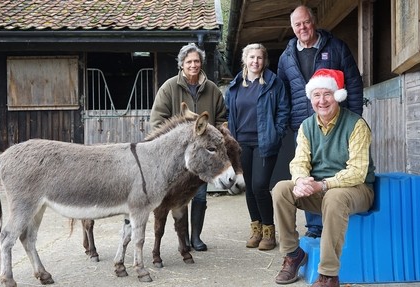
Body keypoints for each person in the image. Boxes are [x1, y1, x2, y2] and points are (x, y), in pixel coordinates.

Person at [272, 68, 375, 286]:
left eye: (327, 94)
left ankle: (328, 275)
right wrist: (301, 181)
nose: (322, 101)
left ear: (337, 96)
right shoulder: (306, 126)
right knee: (281, 189)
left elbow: (358, 172)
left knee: (334, 197)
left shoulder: (356, 125)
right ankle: (293, 254)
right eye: (316, 95)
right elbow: (299, 161)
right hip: (319, 189)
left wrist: (323, 185)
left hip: (357, 190)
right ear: (311, 99)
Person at [277, 5, 364, 239]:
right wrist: (287, 122)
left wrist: (355, 117)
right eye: (297, 24)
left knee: (336, 169)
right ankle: (315, 227)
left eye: (306, 22)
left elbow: (353, 83)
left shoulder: (336, 48)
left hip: (337, 122)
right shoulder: (286, 57)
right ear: (293, 28)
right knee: (307, 170)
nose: (302, 28)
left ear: (313, 22)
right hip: (303, 125)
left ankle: (338, 219)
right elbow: (282, 93)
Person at [150, 42, 227, 251]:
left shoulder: (212, 89)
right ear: (182, 64)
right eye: (189, 61)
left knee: (199, 196)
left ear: (201, 63)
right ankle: (181, 240)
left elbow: (221, 119)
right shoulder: (168, 88)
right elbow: (157, 121)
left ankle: (196, 237)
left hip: (202, 156)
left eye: (197, 61)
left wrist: (217, 135)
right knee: (176, 198)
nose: (193, 65)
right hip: (176, 158)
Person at [224, 43, 289, 250]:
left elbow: (283, 110)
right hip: (241, 144)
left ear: (264, 60)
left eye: (259, 58)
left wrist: (277, 133)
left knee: (260, 185)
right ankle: (256, 229)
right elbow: (229, 114)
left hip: (264, 141)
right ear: (245, 60)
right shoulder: (235, 86)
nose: (255, 61)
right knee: (249, 188)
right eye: (251, 57)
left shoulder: (273, 83)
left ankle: (269, 231)